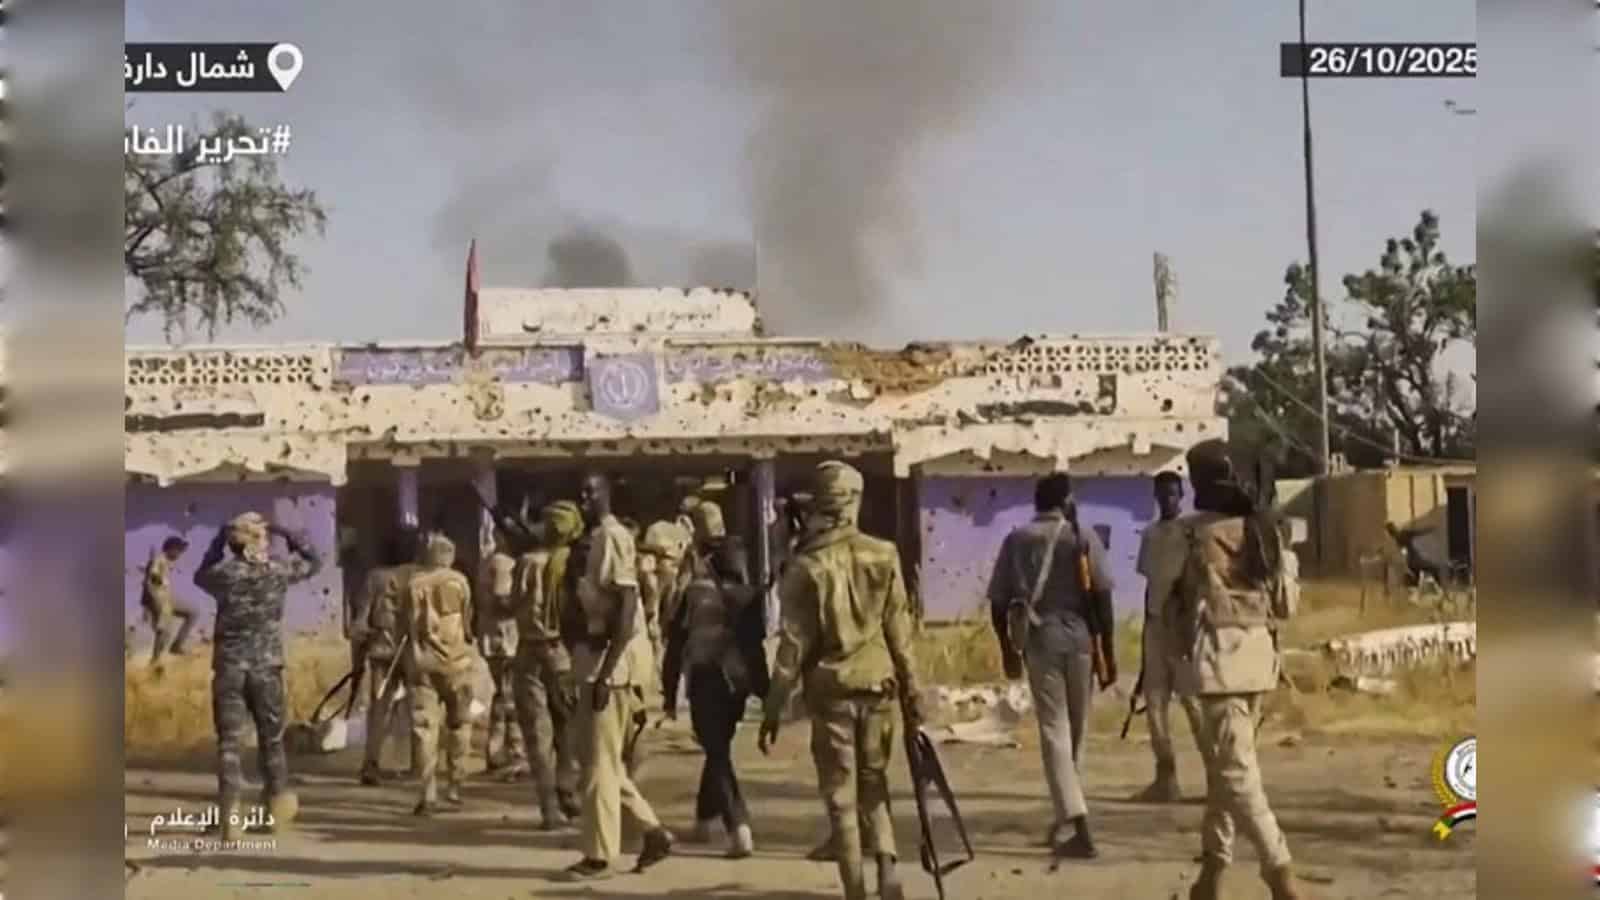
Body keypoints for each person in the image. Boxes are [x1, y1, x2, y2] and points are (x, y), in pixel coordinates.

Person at [760, 461, 922, 900]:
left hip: (831, 692)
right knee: (875, 783)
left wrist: (773, 707)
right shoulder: (884, 554)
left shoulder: (806, 566)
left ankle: (856, 891)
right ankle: (888, 868)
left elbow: (792, 647)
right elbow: (900, 633)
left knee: (840, 798)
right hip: (880, 687)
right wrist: (913, 692)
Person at [1170, 439, 1309, 900]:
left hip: (1215, 665)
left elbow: (1166, 602)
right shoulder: (1266, 533)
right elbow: (1287, 606)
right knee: (1224, 774)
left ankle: (1280, 872)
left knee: (1235, 777)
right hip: (1259, 663)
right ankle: (1210, 876)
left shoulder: (1189, 535)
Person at [984, 472, 1115, 859]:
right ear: (1067, 500)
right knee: (1077, 730)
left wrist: (1007, 648)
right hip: (1080, 640)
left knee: (1054, 730)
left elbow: (998, 601)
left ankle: (1075, 819)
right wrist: (1109, 652)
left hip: (1041, 640)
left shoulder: (1018, 539)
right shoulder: (1084, 536)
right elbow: (1104, 600)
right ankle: (1071, 818)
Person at [565, 472, 674, 881]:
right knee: (603, 762)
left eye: (592, 491)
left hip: (611, 669)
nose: (584, 497)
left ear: (607, 494)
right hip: (601, 664)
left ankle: (599, 856)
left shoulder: (611, 538)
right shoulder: (596, 540)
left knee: (597, 768)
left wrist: (606, 674)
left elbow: (626, 611)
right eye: (582, 491)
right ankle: (653, 831)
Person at [193, 512, 321, 842]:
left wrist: (219, 540)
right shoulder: (277, 571)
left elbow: (200, 575)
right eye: (263, 537)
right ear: (258, 542)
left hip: (230, 668)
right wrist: (288, 532)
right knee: (272, 740)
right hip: (267, 669)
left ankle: (230, 818)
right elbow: (315, 561)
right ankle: (276, 806)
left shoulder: (223, 575)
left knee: (229, 744)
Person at [661, 499, 768, 858]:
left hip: (706, 677)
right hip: (737, 682)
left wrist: (667, 692)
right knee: (717, 746)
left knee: (716, 751)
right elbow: (756, 647)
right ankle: (704, 820)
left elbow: (675, 645)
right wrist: (766, 693)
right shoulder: (750, 595)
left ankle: (739, 826)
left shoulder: (693, 592)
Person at [1133, 471, 1207, 803]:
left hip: (1183, 626)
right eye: (1163, 494)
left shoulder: (1193, 533)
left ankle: (1218, 777)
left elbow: (1197, 583)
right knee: (1155, 703)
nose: (1168, 499)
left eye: (1174, 494)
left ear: (1182, 496)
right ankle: (1166, 778)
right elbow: (1150, 583)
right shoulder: (1150, 534)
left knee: (1193, 703)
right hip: (1155, 625)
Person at [510, 500, 584, 828]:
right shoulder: (573, 562)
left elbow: (514, 603)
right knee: (567, 727)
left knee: (537, 734)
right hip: (563, 652)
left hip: (529, 650)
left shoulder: (525, 562)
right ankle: (569, 790)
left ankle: (549, 808)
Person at [402, 533, 477, 816]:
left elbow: (406, 626)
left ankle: (427, 793)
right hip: (457, 662)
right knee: (460, 724)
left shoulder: (414, 584)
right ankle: (455, 785)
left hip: (423, 662)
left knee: (424, 728)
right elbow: (468, 621)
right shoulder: (461, 582)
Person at [351, 527, 422, 786]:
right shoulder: (422, 576)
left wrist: (359, 655)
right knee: (419, 708)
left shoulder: (374, 578)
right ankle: (420, 765)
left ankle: (370, 765)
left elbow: (359, 624)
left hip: (382, 652)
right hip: (415, 653)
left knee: (379, 708)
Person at [478, 531, 527, 777]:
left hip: (495, 637)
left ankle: (497, 751)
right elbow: (502, 600)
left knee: (503, 695)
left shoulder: (490, 560)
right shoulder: (503, 564)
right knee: (511, 697)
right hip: (505, 639)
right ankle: (513, 753)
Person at [143, 536, 197, 666]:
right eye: (178, 551)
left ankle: (176, 646)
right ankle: (155, 661)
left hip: (166, 599)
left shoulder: (165, 561)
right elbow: (151, 576)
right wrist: (152, 603)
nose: (179, 554)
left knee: (192, 613)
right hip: (159, 600)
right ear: (171, 549)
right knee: (164, 632)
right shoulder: (159, 559)